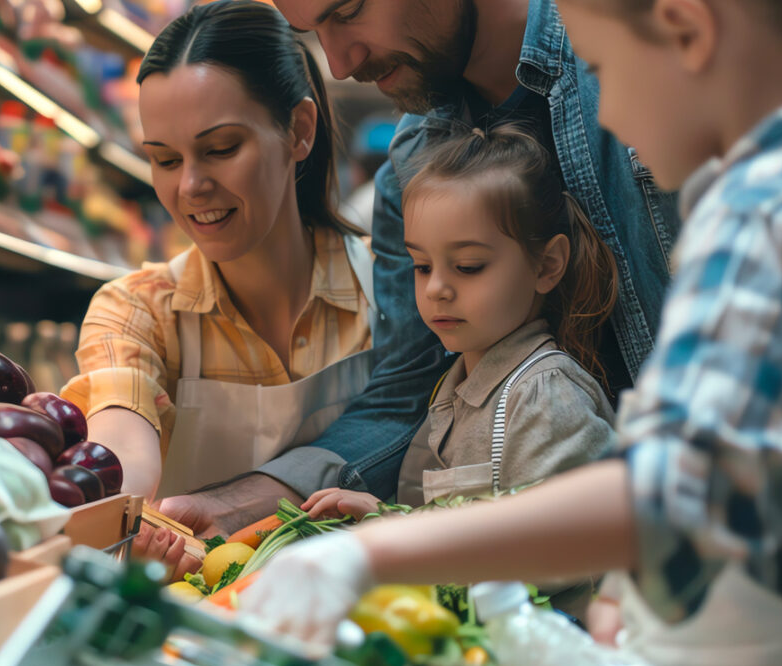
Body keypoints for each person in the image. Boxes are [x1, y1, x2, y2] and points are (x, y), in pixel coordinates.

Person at [239, 0, 782, 666]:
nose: (605, 114)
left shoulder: (766, 212)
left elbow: (670, 494)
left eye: (603, 67)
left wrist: (371, 551)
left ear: (687, 29)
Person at [157, 0, 680, 539]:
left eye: (349, 10)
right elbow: (403, 397)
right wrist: (242, 504)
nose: (338, 63)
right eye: (313, 31)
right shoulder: (410, 166)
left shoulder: (655, 58)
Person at [60, 1, 375, 571]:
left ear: (299, 130)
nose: (191, 186)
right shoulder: (137, 309)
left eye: (222, 148)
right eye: (164, 159)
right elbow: (119, 440)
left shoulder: (396, 292)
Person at [307, 124, 617, 526]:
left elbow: (552, 548)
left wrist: (399, 530)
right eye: (421, 266)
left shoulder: (544, 398)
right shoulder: (457, 382)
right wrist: (386, 517)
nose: (436, 289)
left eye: (468, 267)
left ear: (547, 265)